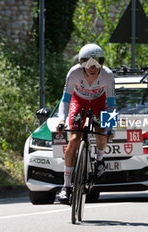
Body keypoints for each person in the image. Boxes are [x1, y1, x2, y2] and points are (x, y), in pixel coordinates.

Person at [56, 44, 116, 204]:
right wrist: (61, 120)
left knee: (102, 131)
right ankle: (66, 187)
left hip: (99, 103)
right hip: (79, 102)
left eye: (97, 64)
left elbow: (111, 103)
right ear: (82, 64)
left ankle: (100, 160)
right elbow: (66, 100)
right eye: (88, 65)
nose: (93, 68)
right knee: (74, 139)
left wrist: (111, 127)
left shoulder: (107, 75)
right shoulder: (73, 73)